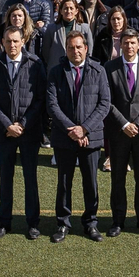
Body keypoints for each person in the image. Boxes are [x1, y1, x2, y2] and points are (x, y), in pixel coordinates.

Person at [47, 31, 109, 242]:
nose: (75, 51)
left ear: (86, 48)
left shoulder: (98, 71)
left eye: (79, 47)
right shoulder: (56, 72)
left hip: (90, 138)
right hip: (65, 138)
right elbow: (52, 105)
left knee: (90, 182)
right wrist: (72, 130)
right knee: (64, 182)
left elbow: (104, 103)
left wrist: (85, 129)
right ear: (66, 49)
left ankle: (90, 223)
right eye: (71, 48)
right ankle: (63, 223)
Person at [0, 25, 46, 239]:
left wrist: (22, 123)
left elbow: (40, 98)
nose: (12, 45)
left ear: (23, 41)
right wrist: (7, 125)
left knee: (30, 178)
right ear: (2, 42)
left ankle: (33, 223)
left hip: (28, 132)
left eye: (15, 41)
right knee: (6, 178)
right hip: (5, 133)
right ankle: (4, 222)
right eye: (8, 41)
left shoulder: (35, 64)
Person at [105, 29, 139, 238]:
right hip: (119, 133)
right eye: (125, 43)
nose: (129, 46)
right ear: (121, 45)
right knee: (118, 178)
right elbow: (106, 100)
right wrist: (124, 124)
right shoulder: (109, 68)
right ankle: (118, 220)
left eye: (132, 43)